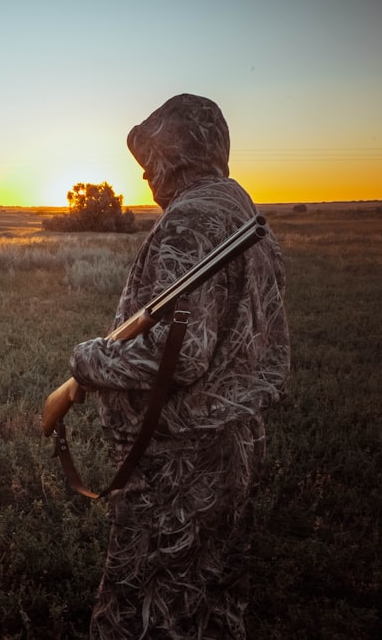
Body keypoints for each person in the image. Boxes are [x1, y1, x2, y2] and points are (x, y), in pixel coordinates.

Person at [67, 94, 291, 638]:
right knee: (211, 599)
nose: (146, 177)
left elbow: (181, 354)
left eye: (152, 162)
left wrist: (90, 359)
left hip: (180, 460)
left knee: (143, 610)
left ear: (179, 156)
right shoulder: (240, 211)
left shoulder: (191, 222)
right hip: (232, 444)